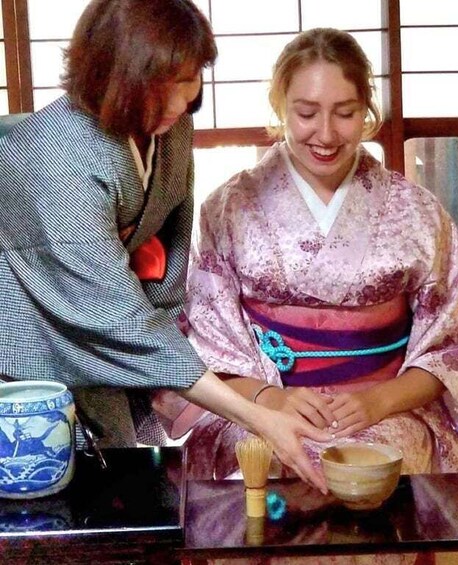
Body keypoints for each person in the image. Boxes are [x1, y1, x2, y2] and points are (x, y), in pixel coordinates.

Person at [0, 0, 330, 492]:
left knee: (122, 502)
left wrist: (164, 362)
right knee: (43, 511)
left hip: (114, 343)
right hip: (26, 351)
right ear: (112, 74)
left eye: (190, 78)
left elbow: (170, 250)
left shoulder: (169, 128)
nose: (180, 103)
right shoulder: (52, 155)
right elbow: (118, 319)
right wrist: (257, 415)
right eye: (163, 84)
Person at [179, 27, 458, 487]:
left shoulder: (415, 211)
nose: (325, 134)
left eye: (345, 113)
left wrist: (378, 401)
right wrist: (269, 398)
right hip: (262, 405)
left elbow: (457, 342)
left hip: (384, 408)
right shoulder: (229, 208)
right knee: (265, 463)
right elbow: (207, 342)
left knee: (376, 469)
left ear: (366, 112)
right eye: (306, 113)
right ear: (280, 107)